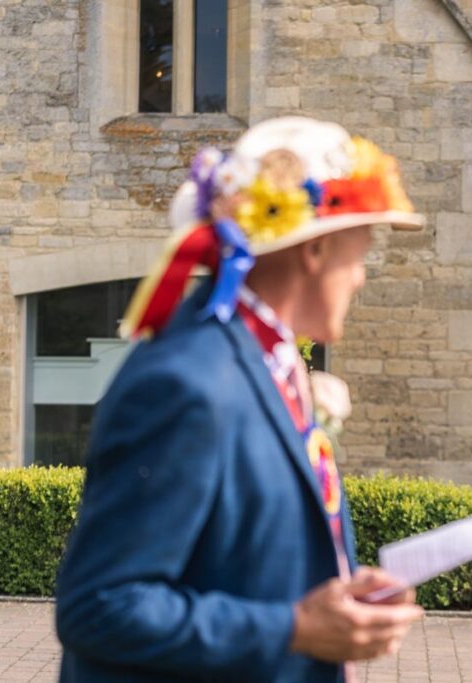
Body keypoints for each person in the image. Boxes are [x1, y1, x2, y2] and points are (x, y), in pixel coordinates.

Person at [55, 117, 425, 682]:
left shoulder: (264, 360)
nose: (361, 277)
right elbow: (100, 606)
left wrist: (339, 601)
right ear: (317, 249)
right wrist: (293, 629)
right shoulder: (186, 382)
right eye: (362, 251)